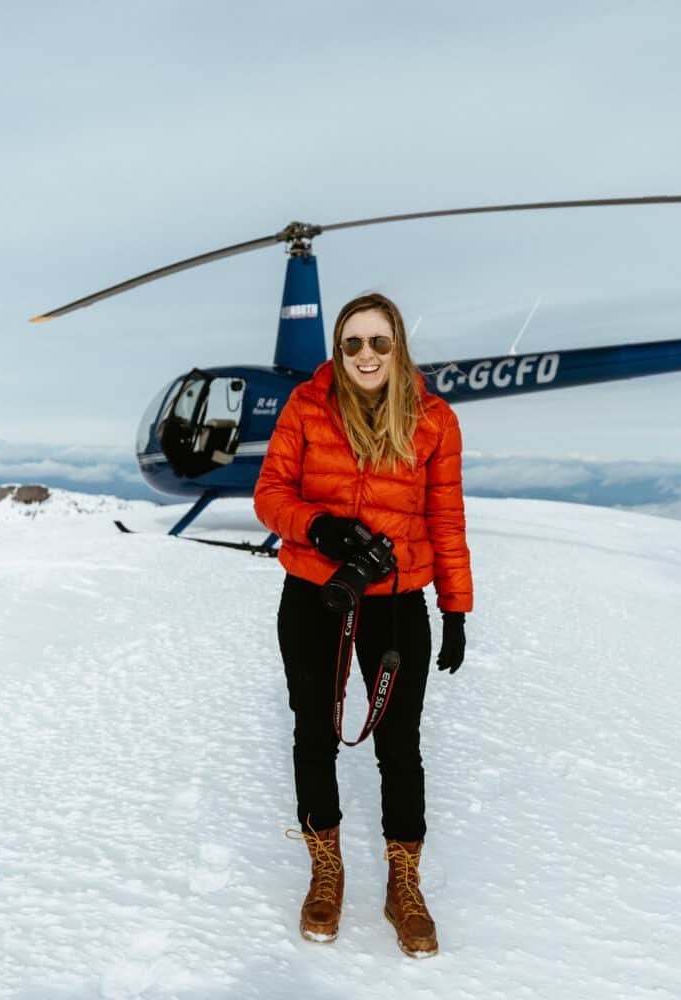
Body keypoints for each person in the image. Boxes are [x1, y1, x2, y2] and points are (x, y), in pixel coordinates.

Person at [254, 291, 473, 958]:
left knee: (399, 744)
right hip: (314, 593)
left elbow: (447, 519)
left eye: (379, 342)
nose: (366, 355)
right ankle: (327, 866)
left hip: (399, 598)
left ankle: (402, 883)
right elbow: (270, 494)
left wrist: (456, 608)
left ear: (398, 346)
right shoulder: (306, 407)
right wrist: (319, 526)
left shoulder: (434, 421)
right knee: (313, 730)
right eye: (353, 343)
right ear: (338, 351)